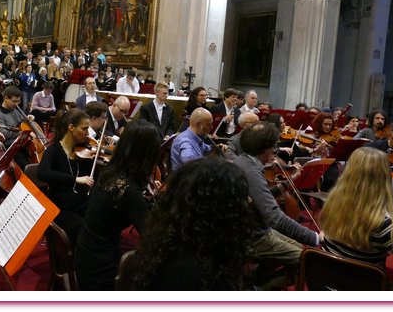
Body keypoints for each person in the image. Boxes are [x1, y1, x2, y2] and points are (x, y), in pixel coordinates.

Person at [134, 157, 255, 290]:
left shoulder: (173, 242)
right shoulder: (193, 272)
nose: (248, 201)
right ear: (219, 209)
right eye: (240, 197)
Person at [75, 120, 163, 290]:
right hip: (100, 271)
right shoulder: (129, 190)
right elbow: (152, 235)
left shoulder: (109, 172)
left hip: (85, 254)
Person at [233, 122, 321, 288]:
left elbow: (259, 198)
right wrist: (315, 237)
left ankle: (256, 284)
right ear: (265, 147)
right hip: (253, 237)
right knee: (308, 260)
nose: (276, 149)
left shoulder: (245, 161)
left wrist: (285, 185)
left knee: (299, 249)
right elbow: (275, 218)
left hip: (257, 230)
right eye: (274, 145)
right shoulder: (251, 171)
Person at [320, 147, 393, 266]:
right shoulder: (384, 225)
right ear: (384, 178)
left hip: (322, 279)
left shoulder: (333, 203)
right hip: (363, 283)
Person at [37, 108, 94, 246]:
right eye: (84, 129)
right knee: (80, 227)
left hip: (81, 202)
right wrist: (74, 179)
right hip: (61, 205)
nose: (88, 134)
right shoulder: (54, 150)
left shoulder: (85, 150)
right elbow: (42, 173)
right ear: (71, 128)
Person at [170, 107, 214, 171]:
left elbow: (205, 148)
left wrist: (216, 148)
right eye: (208, 124)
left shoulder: (196, 137)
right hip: (186, 179)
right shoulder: (185, 142)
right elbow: (190, 163)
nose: (211, 127)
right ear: (198, 124)